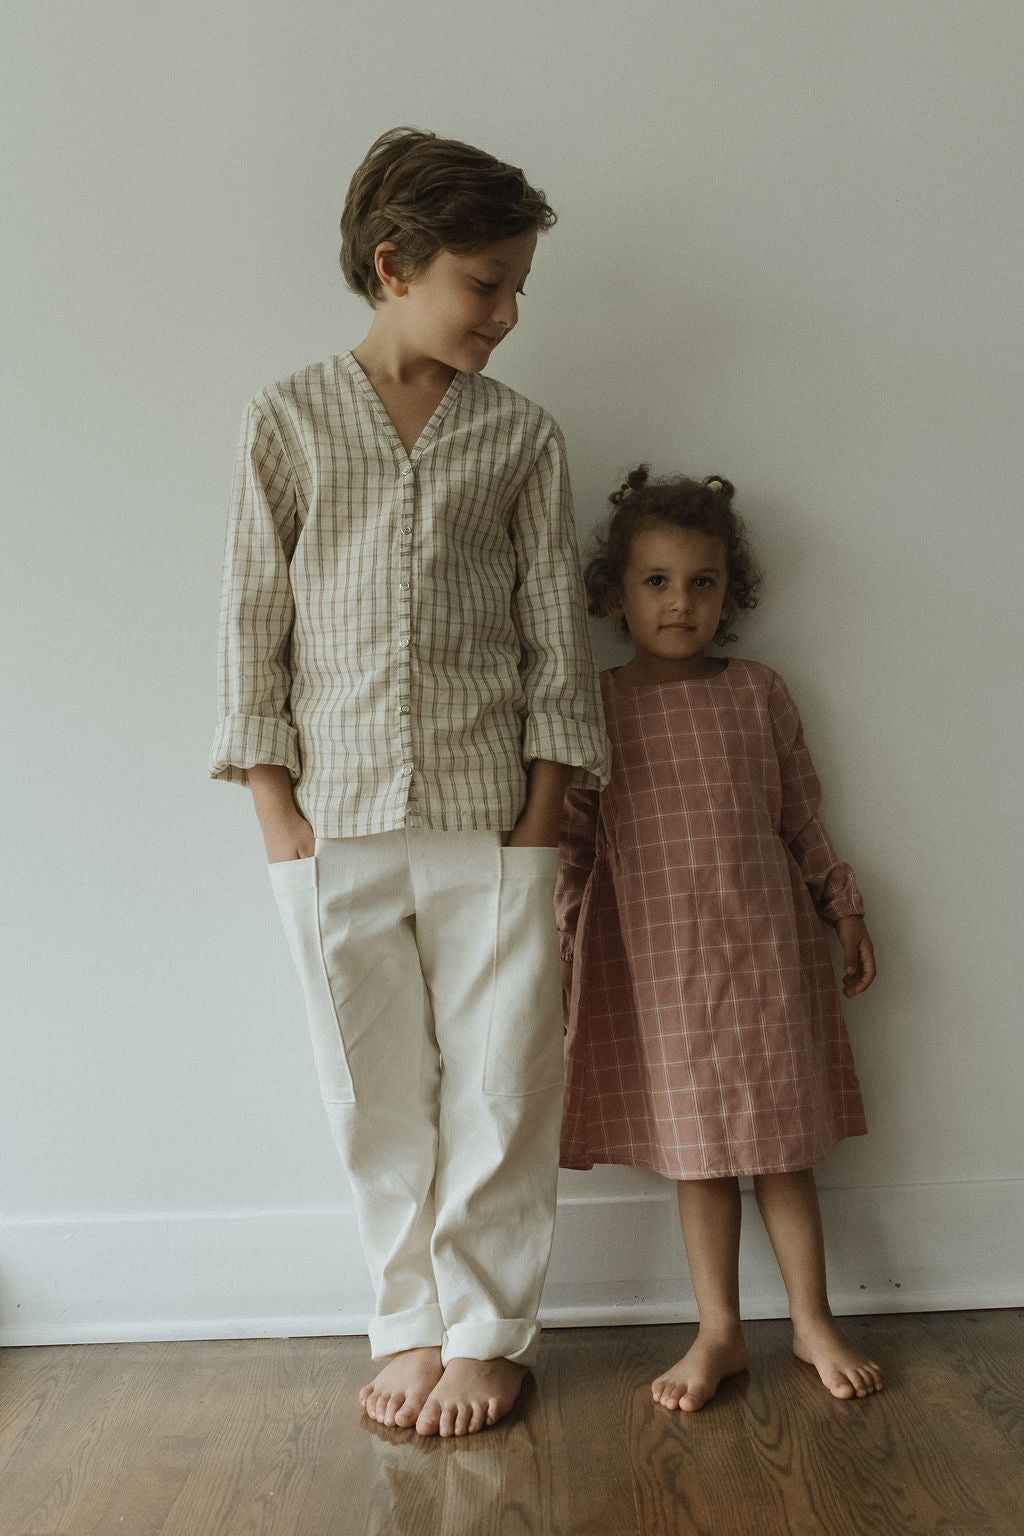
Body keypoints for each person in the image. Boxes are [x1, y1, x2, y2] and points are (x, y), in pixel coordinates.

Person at [210, 127, 608, 1438]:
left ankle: (491, 1334)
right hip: (332, 827)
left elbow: (558, 628)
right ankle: (410, 1324)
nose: (504, 314)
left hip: (497, 820)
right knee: (371, 1093)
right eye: (484, 284)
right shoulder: (290, 421)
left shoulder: (521, 438)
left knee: (501, 1087)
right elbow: (249, 626)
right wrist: (279, 811)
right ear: (394, 266)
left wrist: (547, 807)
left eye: (515, 292)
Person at [557, 467, 881, 1411]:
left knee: (785, 1147)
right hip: (659, 968)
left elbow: (802, 818)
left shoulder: (760, 693)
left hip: (767, 954)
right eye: (656, 581)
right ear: (613, 594)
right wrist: (562, 945)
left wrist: (843, 903)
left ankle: (813, 1320)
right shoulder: (597, 704)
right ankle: (720, 1331)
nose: (680, 601)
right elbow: (575, 841)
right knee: (697, 1157)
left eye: (702, 582)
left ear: (729, 593)